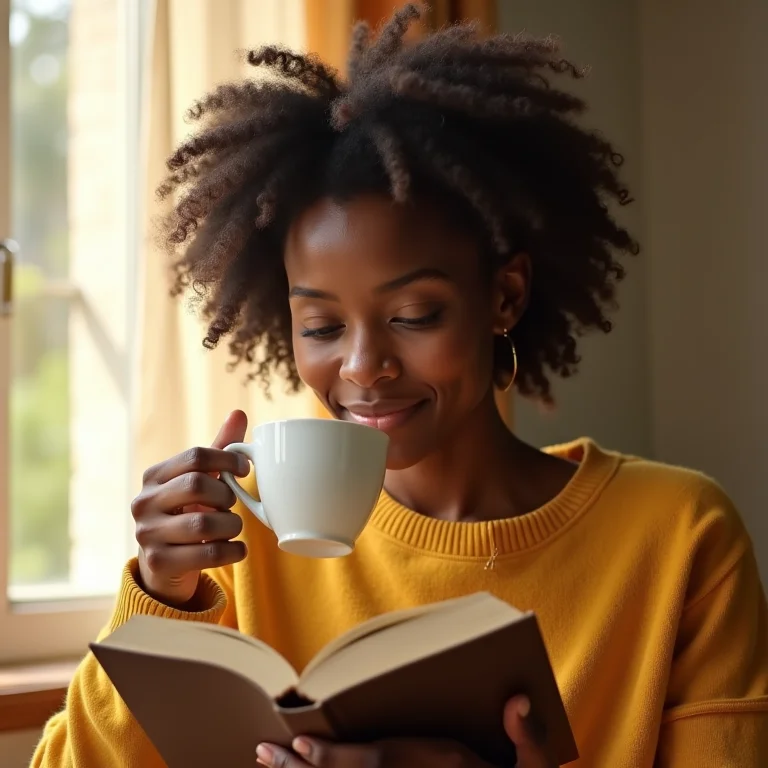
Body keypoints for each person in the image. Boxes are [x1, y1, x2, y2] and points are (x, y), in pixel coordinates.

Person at [32, 5, 767, 767]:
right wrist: (159, 601)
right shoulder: (238, 554)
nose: (360, 368)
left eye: (414, 314)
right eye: (320, 327)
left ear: (505, 296)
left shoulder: (680, 537)